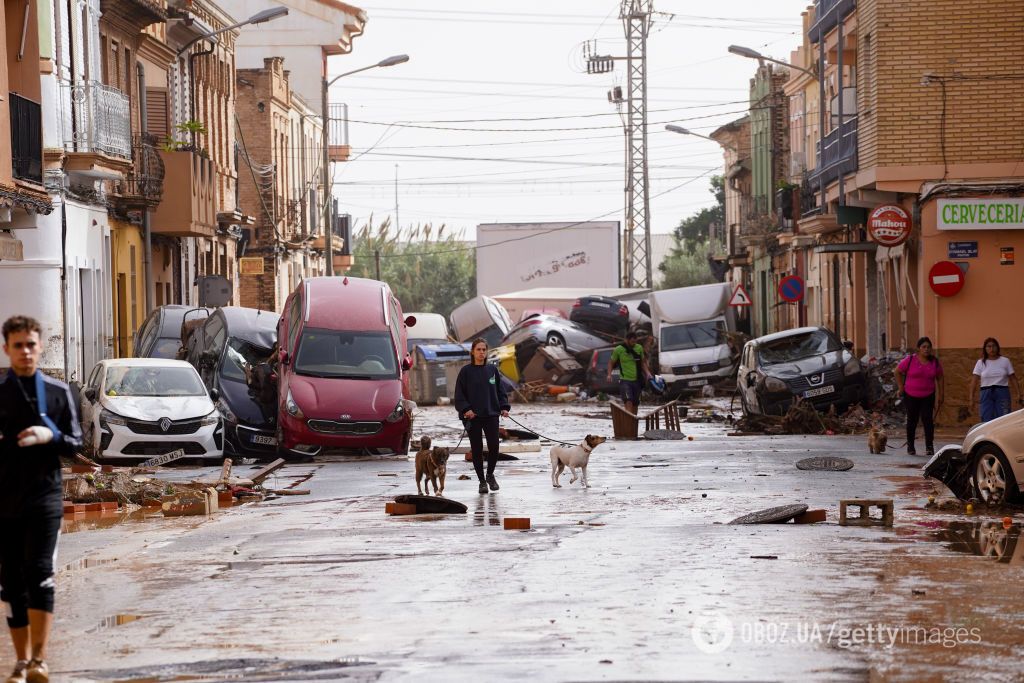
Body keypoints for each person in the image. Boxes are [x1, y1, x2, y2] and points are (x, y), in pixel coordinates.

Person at [0, 316, 82, 683]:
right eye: (18, 345)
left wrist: (50, 436)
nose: (25, 352)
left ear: (40, 346)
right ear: (7, 349)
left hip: (45, 496)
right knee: (12, 581)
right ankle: (20, 662)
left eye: (31, 344)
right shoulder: (1, 395)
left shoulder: (58, 393)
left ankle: (39, 660)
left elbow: (76, 444)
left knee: (40, 574)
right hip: (4, 499)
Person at [454, 338, 510, 495]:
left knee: (494, 447)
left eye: (484, 350)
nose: (481, 352)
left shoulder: (492, 370)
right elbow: (459, 395)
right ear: (472, 351)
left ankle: (490, 474)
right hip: (473, 417)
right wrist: (466, 409)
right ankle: (482, 482)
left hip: (491, 414)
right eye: (478, 349)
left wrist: (504, 407)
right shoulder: (465, 372)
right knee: (476, 449)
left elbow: (500, 391)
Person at [895, 336, 944, 456]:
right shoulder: (910, 360)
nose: (926, 349)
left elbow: (940, 377)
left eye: (928, 347)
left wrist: (941, 395)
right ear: (918, 349)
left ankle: (929, 446)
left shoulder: (934, 362)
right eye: (924, 347)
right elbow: (897, 371)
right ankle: (910, 446)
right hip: (911, 395)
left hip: (928, 395)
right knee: (912, 420)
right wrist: (901, 387)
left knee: (928, 420)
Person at [968, 337, 1022, 422]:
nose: (991, 349)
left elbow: (1013, 378)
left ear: (998, 347)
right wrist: (971, 398)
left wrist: (1019, 394)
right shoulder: (980, 363)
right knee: (986, 418)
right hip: (986, 393)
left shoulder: (1005, 361)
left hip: (1002, 392)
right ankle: (988, 435)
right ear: (985, 349)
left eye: (994, 346)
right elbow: (974, 381)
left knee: (1004, 418)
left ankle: (1003, 435)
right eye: (988, 346)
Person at [607, 331, 650, 414]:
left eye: (635, 342)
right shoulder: (619, 349)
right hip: (625, 380)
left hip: (637, 380)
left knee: (635, 403)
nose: (633, 344)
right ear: (626, 340)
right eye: (632, 342)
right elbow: (611, 363)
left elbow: (643, 363)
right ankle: (628, 421)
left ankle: (633, 422)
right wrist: (609, 375)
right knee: (628, 400)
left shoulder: (639, 348)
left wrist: (648, 373)